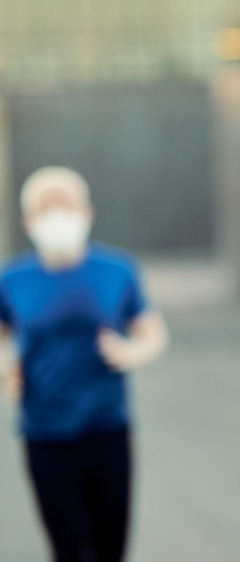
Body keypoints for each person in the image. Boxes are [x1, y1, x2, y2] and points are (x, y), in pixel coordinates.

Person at [0, 166, 169, 562]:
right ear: (28, 220)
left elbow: (153, 332)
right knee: (67, 547)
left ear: (87, 213)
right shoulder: (12, 279)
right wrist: (7, 369)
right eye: (47, 208)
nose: (57, 215)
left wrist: (131, 353)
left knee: (111, 547)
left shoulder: (117, 270)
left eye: (66, 205)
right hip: (44, 432)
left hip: (107, 427)